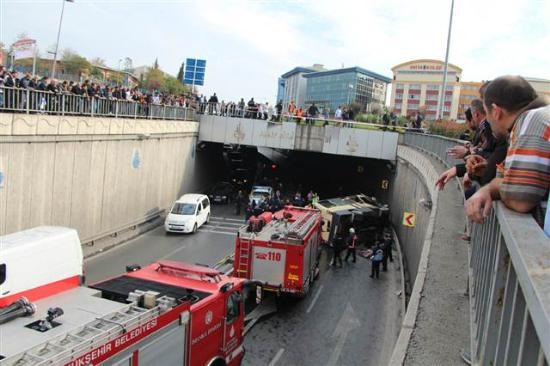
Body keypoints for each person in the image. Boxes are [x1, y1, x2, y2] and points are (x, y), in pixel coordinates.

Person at [466, 76, 549, 226]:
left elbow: (521, 198)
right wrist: (489, 170)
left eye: (487, 112)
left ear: (496, 111)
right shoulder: (531, 120)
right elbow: (508, 178)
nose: (488, 121)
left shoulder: (532, 122)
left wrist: (490, 189)